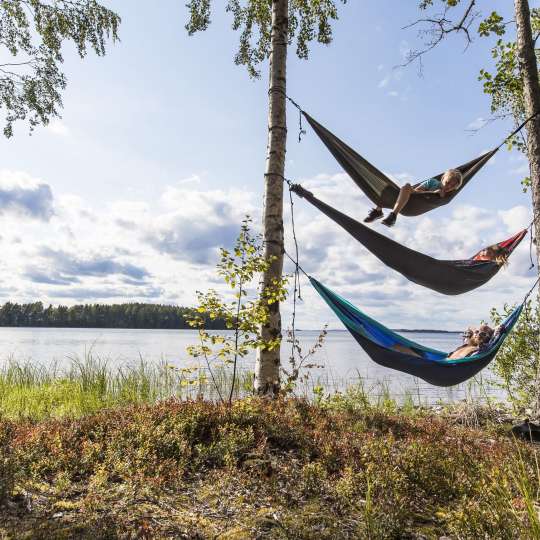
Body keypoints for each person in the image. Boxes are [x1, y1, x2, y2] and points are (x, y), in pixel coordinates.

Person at [364, 169, 464, 227]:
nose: (448, 187)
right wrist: (432, 192)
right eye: (447, 183)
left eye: (452, 186)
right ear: (442, 179)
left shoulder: (448, 195)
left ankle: (393, 215)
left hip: (414, 208)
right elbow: (415, 191)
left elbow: (444, 201)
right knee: (394, 188)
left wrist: (438, 196)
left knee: (405, 188)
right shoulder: (433, 182)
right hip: (408, 199)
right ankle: (379, 211)